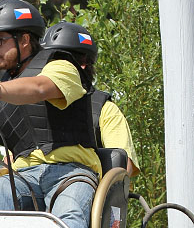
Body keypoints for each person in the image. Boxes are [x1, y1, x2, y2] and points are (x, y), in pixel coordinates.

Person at [0, 0, 126, 228]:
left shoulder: (59, 64)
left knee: (67, 210)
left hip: (70, 171)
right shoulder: (3, 86)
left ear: (24, 40)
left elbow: (40, 88)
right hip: (22, 175)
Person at [39, 20, 139, 176]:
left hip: (84, 187)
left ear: (83, 63)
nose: (49, 67)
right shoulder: (34, 105)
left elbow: (123, 167)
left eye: (56, 60)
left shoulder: (104, 109)